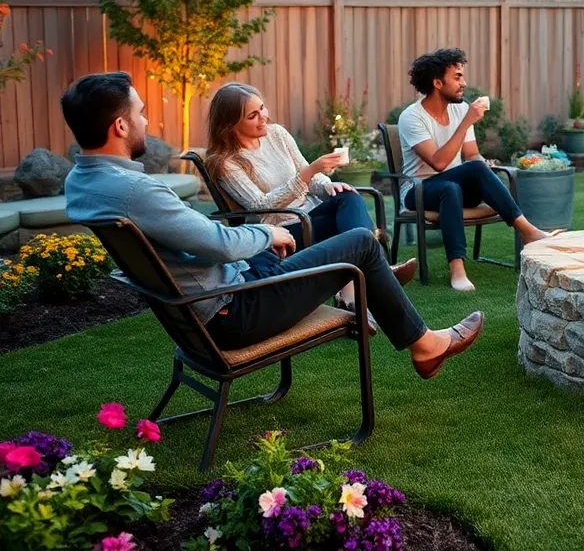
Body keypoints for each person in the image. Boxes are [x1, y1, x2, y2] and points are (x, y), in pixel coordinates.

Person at [61, 73, 479, 380]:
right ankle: (424, 345)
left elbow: (209, 243)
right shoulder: (137, 190)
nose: (147, 123)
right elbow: (218, 243)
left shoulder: (83, 181)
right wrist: (269, 232)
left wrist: (267, 235)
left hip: (220, 297)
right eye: (141, 114)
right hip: (235, 311)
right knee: (360, 245)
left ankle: (367, 295)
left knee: (346, 214)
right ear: (119, 126)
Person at [204, 84, 413, 282]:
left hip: (311, 215)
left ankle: (364, 278)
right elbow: (259, 205)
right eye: (252, 116)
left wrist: (326, 186)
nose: (263, 118)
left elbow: (311, 176)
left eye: (262, 108)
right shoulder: (226, 162)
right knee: (352, 228)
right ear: (230, 126)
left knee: (347, 196)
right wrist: (308, 172)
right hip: (286, 229)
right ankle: (378, 271)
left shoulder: (277, 134)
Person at [397, 49, 556, 292]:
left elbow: (471, 155)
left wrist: (484, 164)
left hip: (457, 187)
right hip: (419, 190)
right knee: (449, 187)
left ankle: (528, 232)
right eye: (457, 77)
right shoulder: (412, 117)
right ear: (438, 83)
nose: (464, 83)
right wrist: (467, 122)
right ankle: (457, 269)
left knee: (473, 169)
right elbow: (438, 163)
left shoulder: (460, 109)